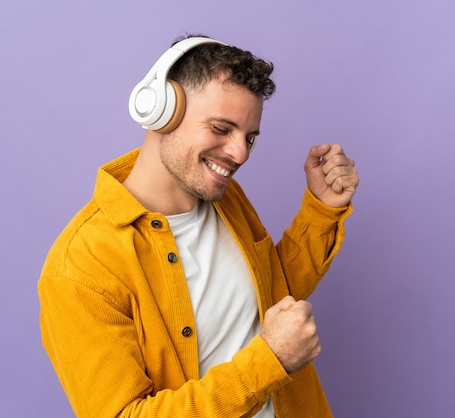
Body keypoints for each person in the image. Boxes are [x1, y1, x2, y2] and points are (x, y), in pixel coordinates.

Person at [38, 34, 359, 417]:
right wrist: (270, 361)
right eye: (221, 129)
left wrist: (323, 208)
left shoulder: (226, 199)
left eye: (249, 137)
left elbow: (269, 300)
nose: (240, 153)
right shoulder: (79, 268)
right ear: (161, 111)